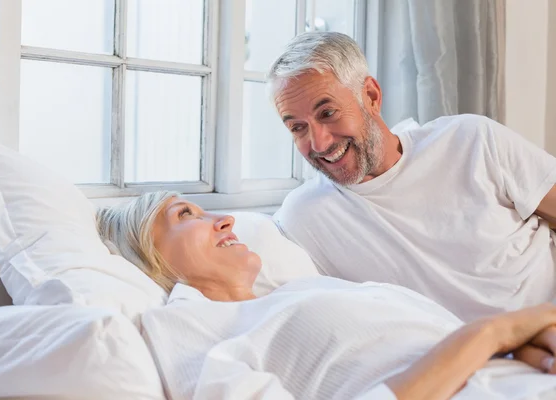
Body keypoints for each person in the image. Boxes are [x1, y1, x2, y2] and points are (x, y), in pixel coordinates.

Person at [97, 192, 556, 400]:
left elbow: (440, 339)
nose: (225, 221)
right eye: (186, 214)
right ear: (148, 254)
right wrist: (493, 332)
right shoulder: (190, 327)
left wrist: (528, 342)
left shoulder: (310, 288)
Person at [267, 32, 556, 322]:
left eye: (327, 112)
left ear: (371, 97)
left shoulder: (473, 140)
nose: (318, 143)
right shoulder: (304, 217)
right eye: (297, 128)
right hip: (479, 354)